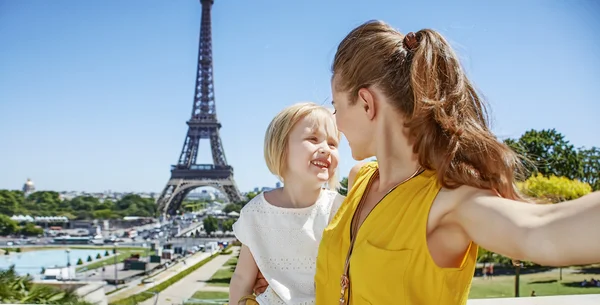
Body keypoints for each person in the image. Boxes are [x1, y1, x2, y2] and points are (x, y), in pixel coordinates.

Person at [255, 20, 600, 304]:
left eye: (336, 104)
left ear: (366, 103)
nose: (335, 121)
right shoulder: (359, 179)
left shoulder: (449, 202)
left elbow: (544, 229)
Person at [229, 102, 345, 305]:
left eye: (333, 143)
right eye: (313, 138)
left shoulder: (342, 209)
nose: (326, 149)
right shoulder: (255, 214)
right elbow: (242, 279)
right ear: (282, 147)